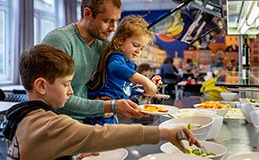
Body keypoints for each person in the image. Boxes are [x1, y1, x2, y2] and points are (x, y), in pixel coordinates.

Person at [3, 44, 200, 159]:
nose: (71, 91)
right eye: (66, 84)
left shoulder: (22, 116)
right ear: (41, 86)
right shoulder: (48, 125)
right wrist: (164, 132)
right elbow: (101, 135)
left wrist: (71, 155)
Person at [42, 0, 148, 123]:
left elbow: (116, 84)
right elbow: (54, 97)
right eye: (107, 21)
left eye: (116, 21)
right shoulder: (60, 41)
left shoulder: (104, 46)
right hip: (58, 123)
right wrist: (107, 106)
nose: (113, 28)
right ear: (87, 14)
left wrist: (144, 86)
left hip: (89, 121)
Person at [86, 15, 158, 125]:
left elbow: (126, 88)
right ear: (120, 41)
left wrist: (146, 87)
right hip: (100, 111)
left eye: (142, 48)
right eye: (135, 45)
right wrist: (144, 80)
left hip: (111, 112)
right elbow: (115, 68)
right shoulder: (116, 57)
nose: (138, 51)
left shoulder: (128, 63)